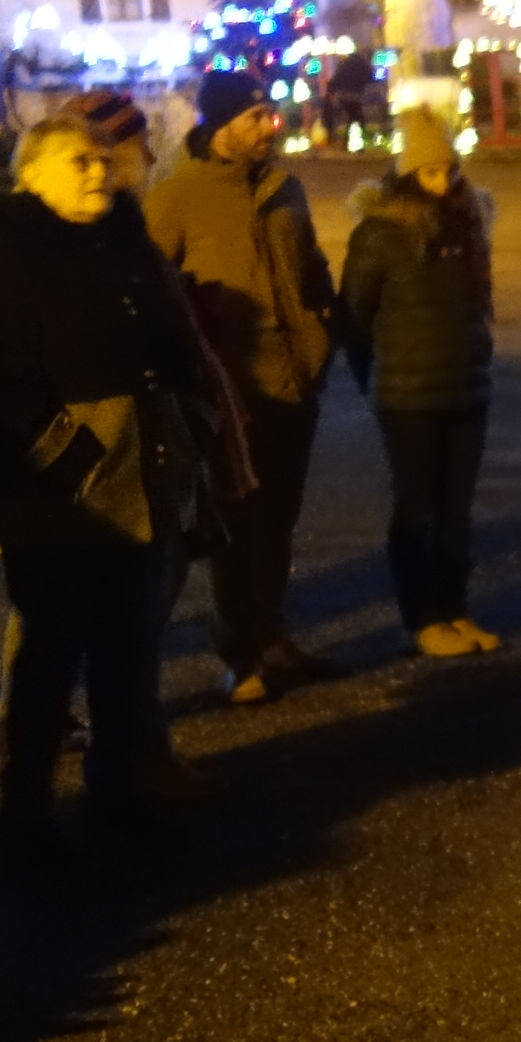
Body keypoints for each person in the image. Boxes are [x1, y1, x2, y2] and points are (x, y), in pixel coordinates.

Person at [0, 110, 209, 872]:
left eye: (101, 159)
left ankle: (118, 793)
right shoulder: (4, 254)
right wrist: (72, 460)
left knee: (129, 650)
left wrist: (184, 423)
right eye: (77, 161)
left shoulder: (123, 242)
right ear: (31, 176)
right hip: (55, 494)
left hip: (140, 468)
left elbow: (168, 346)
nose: (98, 171)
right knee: (50, 660)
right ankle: (23, 817)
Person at [145, 70, 339, 703]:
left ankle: (273, 634)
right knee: (235, 523)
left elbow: (311, 269)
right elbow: (154, 290)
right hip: (231, 393)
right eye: (254, 117)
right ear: (220, 124)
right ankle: (240, 651)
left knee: (278, 521)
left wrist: (323, 333)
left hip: (293, 382)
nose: (268, 127)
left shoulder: (286, 190)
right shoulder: (177, 196)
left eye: (269, 114)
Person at [341, 106, 500, 659]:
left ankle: (455, 610)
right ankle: (422, 618)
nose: (441, 182)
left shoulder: (468, 222)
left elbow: (477, 308)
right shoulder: (381, 232)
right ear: (407, 172)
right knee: (418, 509)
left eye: (448, 170)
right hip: (407, 393)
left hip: (466, 386)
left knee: (457, 510)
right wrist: (376, 377)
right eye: (429, 172)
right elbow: (355, 316)